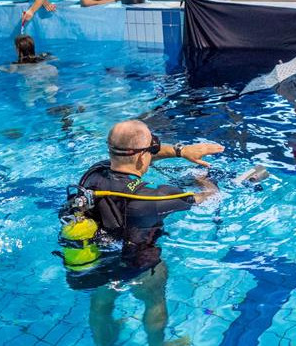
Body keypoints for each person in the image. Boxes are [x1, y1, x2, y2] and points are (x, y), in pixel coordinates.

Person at [61, 120, 223, 346]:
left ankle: (103, 341)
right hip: (140, 266)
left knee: (100, 305)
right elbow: (209, 198)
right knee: (154, 301)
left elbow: (132, 158)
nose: (154, 152)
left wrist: (180, 151)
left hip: (97, 262)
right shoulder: (152, 198)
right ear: (141, 157)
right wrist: (206, 183)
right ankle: (157, 343)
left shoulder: (92, 175)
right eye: (152, 148)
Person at [0, 34, 59, 106]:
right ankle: (50, 98)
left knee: (28, 100)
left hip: (32, 81)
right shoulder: (41, 57)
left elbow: (11, 72)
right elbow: (55, 58)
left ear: (17, 49)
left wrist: (1, 68)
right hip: (50, 72)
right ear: (32, 47)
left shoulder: (16, 64)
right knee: (50, 96)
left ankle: (31, 105)